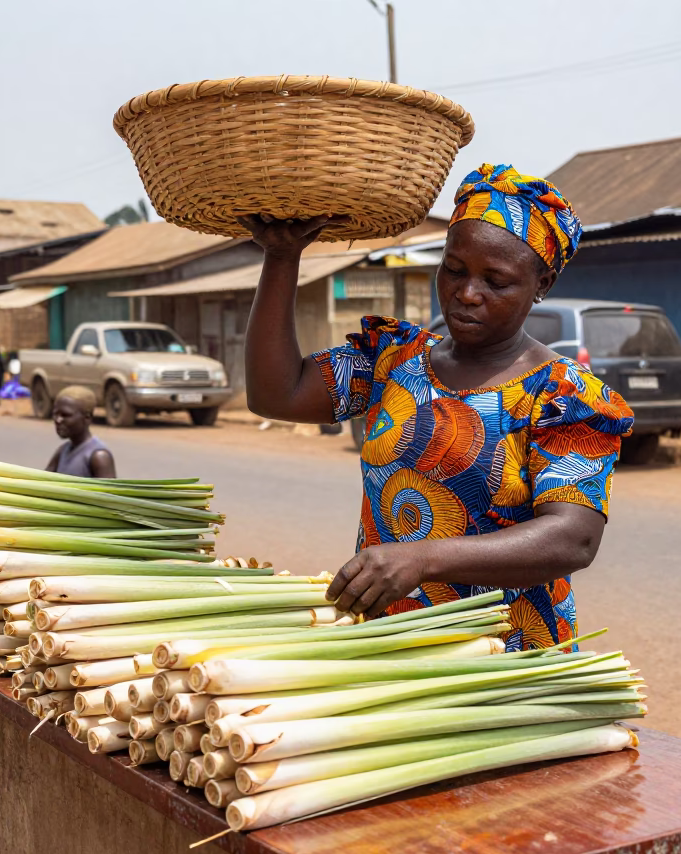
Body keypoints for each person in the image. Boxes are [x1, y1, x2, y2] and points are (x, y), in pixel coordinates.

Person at [240, 163, 634, 649]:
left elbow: (572, 537)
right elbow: (275, 393)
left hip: (505, 663)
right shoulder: (393, 360)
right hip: (389, 646)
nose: (467, 293)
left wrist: (423, 558)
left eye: (497, 281)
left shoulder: (564, 396)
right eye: (454, 270)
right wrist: (281, 258)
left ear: (542, 285)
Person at [45, 385, 115, 478]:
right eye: (55, 414)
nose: (58, 420)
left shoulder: (98, 456)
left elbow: (109, 491)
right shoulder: (63, 451)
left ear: (87, 417)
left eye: (65, 415)